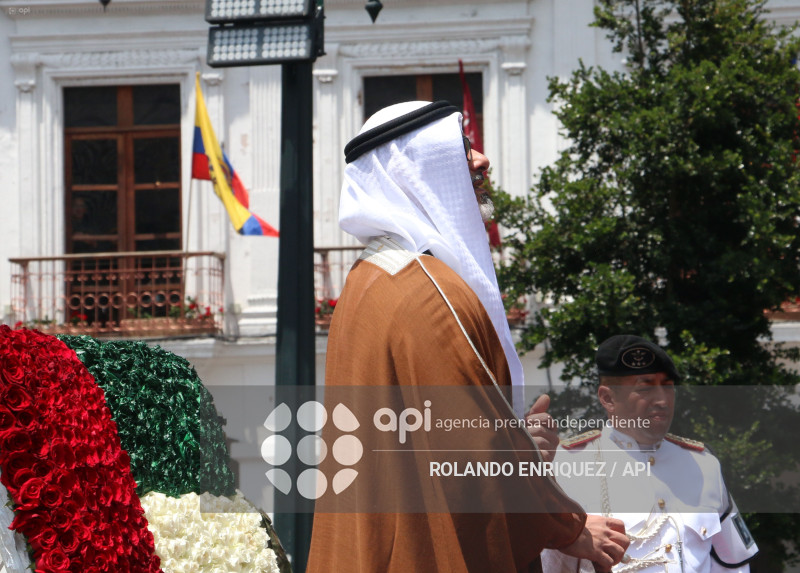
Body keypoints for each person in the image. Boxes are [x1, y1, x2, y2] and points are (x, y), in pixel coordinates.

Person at [305, 101, 629, 572]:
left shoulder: (369, 278)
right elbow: (471, 455)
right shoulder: (427, 294)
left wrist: (512, 435)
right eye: (462, 147)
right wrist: (569, 527)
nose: (481, 160)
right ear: (414, 171)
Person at [541, 335, 759, 572]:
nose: (662, 400)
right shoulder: (563, 465)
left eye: (667, 387)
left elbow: (733, 566)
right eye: (645, 388)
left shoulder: (704, 465)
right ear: (608, 398)